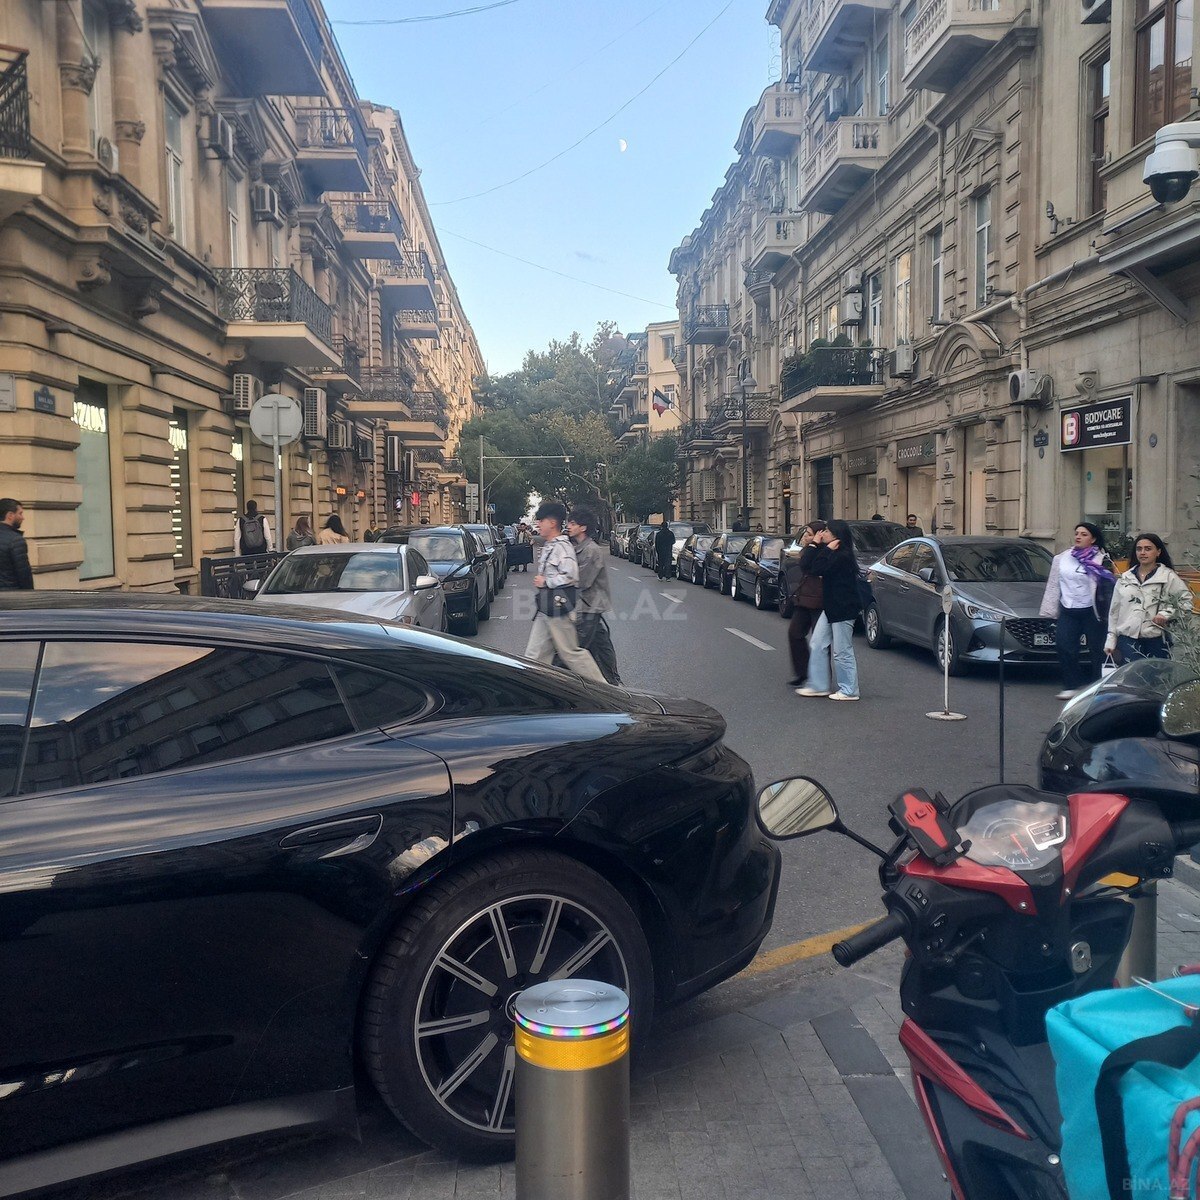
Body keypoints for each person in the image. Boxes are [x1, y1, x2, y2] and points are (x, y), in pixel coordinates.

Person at [524, 501, 606, 684]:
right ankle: (533, 690)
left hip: (558, 608)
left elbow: (571, 576)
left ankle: (605, 690)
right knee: (534, 656)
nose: (538, 524)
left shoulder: (562, 547)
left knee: (571, 653)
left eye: (541, 521)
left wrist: (546, 581)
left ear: (552, 523)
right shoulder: (550, 545)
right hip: (547, 607)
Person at [1040, 522, 1117, 700]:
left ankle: (1097, 685)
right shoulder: (1061, 558)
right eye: (1077, 533)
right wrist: (1049, 609)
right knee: (1064, 646)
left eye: (1084, 534)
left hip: (1093, 611)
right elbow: (1053, 585)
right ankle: (1071, 685)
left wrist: (1110, 614)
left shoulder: (1102, 559)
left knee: (1097, 649)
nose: (1078, 537)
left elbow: (1109, 588)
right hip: (1069, 609)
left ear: (1093, 539)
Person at [795, 519, 861, 701]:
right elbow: (806, 565)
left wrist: (826, 549)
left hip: (843, 607)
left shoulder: (842, 555)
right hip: (831, 606)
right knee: (817, 643)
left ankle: (849, 690)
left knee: (842, 651)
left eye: (826, 531)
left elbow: (817, 569)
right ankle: (818, 685)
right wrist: (814, 544)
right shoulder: (830, 551)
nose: (822, 534)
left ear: (835, 535)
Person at [1104, 533, 1192, 664]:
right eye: (1139, 549)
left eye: (1148, 549)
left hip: (1156, 639)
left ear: (1158, 552)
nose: (1143, 553)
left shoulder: (1168, 577)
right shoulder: (1125, 578)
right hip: (1128, 640)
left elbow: (1185, 602)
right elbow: (1114, 611)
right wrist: (1111, 639)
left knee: (1156, 675)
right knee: (1132, 675)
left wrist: (1166, 614)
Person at [566, 506, 622, 685]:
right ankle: (612, 682)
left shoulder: (591, 551)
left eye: (572, 523)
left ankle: (565, 683)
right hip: (588, 605)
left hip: (589, 605)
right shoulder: (578, 548)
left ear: (583, 527)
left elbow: (582, 581)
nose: (568, 526)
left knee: (574, 650)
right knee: (601, 644)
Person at [782, 521, 826, 687]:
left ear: (819, 535)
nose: (805, 537)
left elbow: (808, 566)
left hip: (820, 601)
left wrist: (815, 544)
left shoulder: (825, 551)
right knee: (794, 633)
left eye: (809, 534)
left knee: (820, 641)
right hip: (804, 599)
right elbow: (804, 564)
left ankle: (822, 678)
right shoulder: (808, 550)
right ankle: (802, 672)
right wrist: (813, 545)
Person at [0, 498, 34, 590]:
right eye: (20, 513)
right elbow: (24, 575)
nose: (23, 518)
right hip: (11, 594)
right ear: (10, 515)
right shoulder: (15, 540)